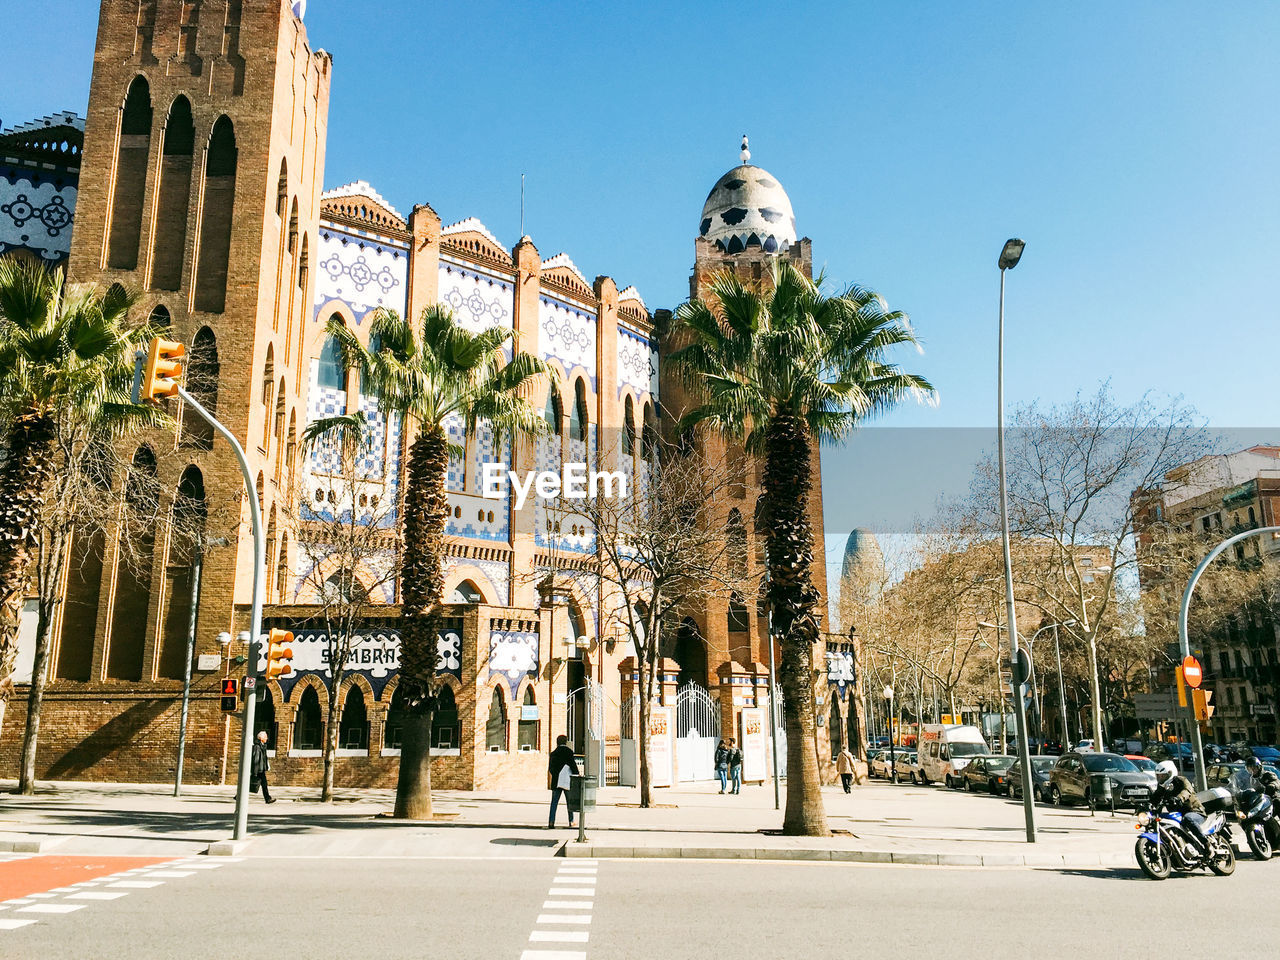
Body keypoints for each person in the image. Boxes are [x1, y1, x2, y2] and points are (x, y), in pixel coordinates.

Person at [1152, 759, 1206, 854]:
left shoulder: (1181, 780)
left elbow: (1187, 790)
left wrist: (1179, 798)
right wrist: (1145, 806)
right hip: (1177, 814)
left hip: (1194, 811)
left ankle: (1206, 844)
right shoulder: (1162, 787)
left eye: (1163, 775)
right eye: (1158, 776)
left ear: (1170, 773)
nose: (1160, 778)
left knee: (1188, 819)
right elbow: (1155, 798)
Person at [548, 734, 579, 828]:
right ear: (566, 742)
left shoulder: (553, 753)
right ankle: (571, 821)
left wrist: (556, 774)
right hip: (567, 780)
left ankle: (551, 821)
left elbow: (550, 769)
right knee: (569, 802)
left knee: (554, 802)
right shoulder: (569, 752)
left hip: (556, 781)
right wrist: (576, 774)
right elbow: (573, 765)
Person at [251, 730, 276, 804]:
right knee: (252, 783)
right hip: (258, 769)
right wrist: (255, 772)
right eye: (265, 737)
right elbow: (256, 759)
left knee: (263, 784)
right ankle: (267, 798)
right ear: (261, 738)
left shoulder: (262, 746)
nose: (266, 738)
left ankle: (267, 798)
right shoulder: (257, 747)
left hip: (261, 769)